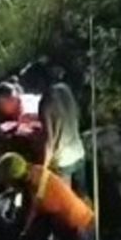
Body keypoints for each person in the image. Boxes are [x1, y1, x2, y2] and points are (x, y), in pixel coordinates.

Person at [0, 152, 95, 240]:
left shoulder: (39, 196)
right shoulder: (37, 170)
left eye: (8, 183)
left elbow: (28, 221)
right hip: (83, 221)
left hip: (81, 233)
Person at [21, 63, 86, 194]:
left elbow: (49, 141)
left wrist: (43, 169)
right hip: (78, 152)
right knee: (83, 197)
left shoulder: (45, 101)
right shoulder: (65, 88)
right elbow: (74, 116)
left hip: (63, 161)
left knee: (67, 203)